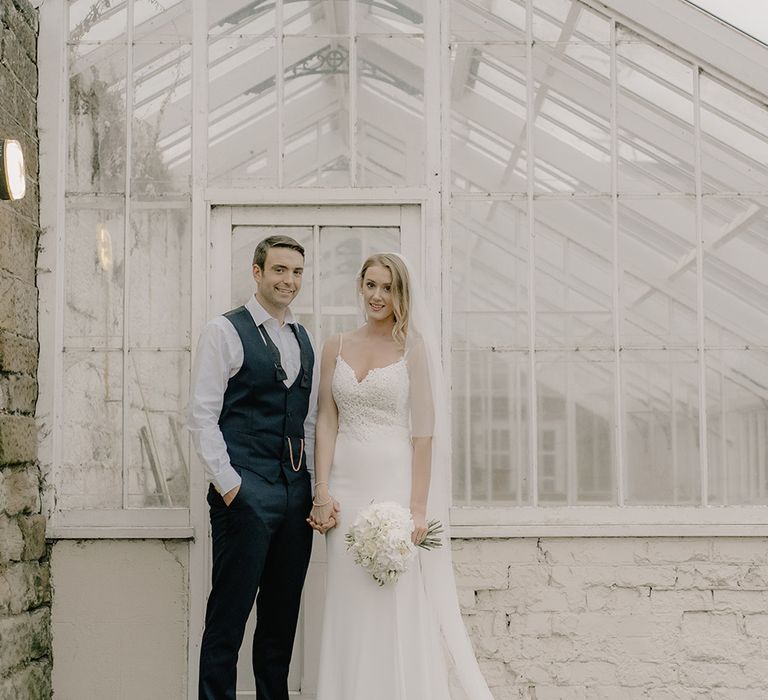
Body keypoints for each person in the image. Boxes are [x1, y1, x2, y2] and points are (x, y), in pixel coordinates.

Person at [308, 253, 494, 699]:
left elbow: (424, 434)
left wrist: (416, 509)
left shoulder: (414, 349)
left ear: (400, 294)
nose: (377, 296)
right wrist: (322, 489)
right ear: (360, 286)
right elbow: (326, 421)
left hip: (392, 485)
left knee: (395, 598)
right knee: (349, 599)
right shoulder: (334, 345)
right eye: (370, 285)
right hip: (345, 490)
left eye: (387, 288)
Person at [188, 235, 331, 700]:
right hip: (245, 494)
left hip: (295, 496)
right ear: (256, 272)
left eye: (296, 273)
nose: (288, 281)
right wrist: (232, 489)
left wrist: (309, 486)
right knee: (227, 620)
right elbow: (202, 417)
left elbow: (307, 418)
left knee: (280, 621)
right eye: (279, 270)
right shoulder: (224, 332)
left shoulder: (303, 337)